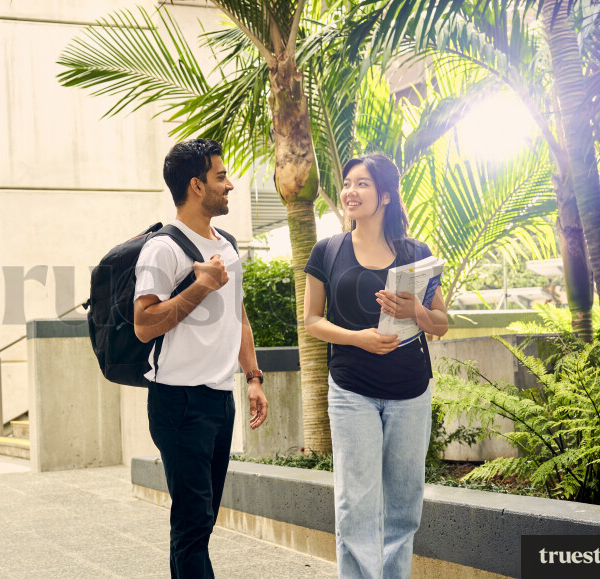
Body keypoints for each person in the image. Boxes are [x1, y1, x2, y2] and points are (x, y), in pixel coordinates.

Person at [303, 153, 448, 579]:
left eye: (362, 184)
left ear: (384, 195)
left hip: (410, 392)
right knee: (356, 506)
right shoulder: (327, 250)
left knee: (404, 506)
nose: (350, 191)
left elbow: (440, 325)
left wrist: (416, 310)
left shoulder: (416, 253)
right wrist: (358, 338)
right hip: (352, 391)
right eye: (348, 183)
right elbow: (311, 320)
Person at [133, 138, 268, 578]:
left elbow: (239, 316)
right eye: (220, 177)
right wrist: (200, 286)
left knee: (201, 522)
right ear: (196, 186)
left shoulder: (225, 243)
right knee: (193, 523)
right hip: (178, 401)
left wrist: (252, 377)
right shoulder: (162, 249)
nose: (229, 185)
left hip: (217, 397)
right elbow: (144, 324)